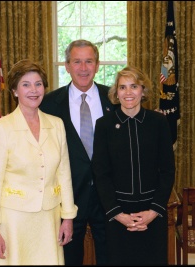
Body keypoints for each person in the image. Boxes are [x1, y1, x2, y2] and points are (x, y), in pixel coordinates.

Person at [0, 59, 78, 265]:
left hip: (49, 219)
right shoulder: (2, 128)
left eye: (38, 84)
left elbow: (64, 174)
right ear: (15, 90)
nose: (33, 90)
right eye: (26, 84)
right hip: (13, 221)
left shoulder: (57, 124)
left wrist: (68, 217)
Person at [40, 39, 115, 265]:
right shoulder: (49, 103)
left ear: (97, 65)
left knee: (111, 257)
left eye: (89, 61)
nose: (83, 68)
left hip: (108, 196)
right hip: (68, 198)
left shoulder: (114, 99)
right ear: (67, 65)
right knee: (70, 258)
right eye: (77, 61)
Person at [91, 66, 176, 266]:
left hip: (152, 212)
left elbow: (167, 171)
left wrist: (153, 212)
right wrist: (117, 214)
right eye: (122, 87)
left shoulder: (158, 122)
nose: (128, 92)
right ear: (116, 93)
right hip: (118, 214)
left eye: (134, 86)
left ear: (143, 90)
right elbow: (101, 173)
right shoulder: (104, 125)